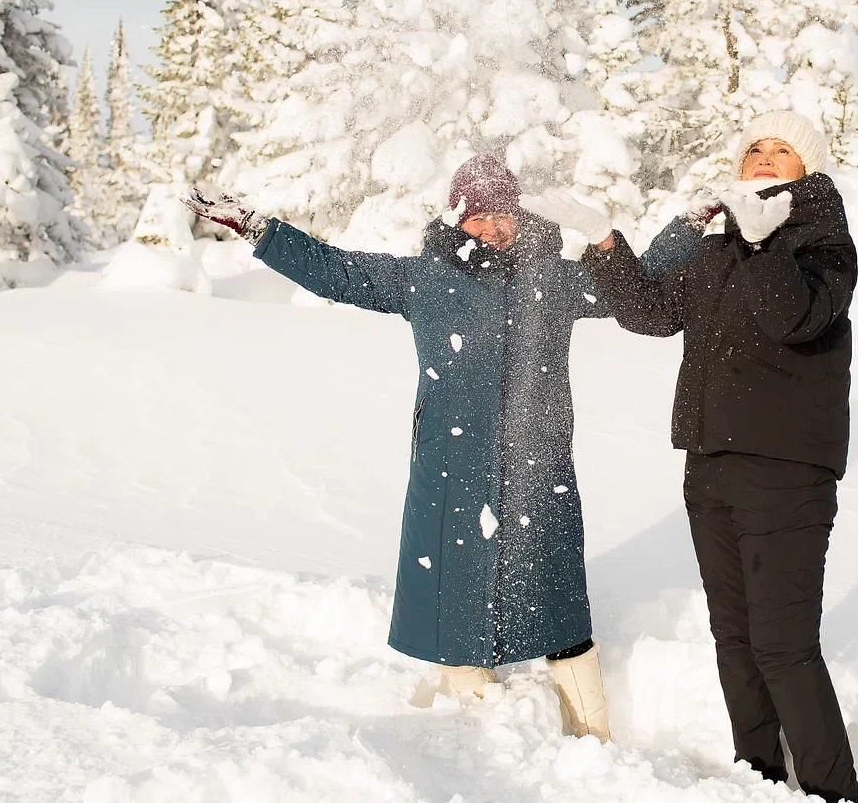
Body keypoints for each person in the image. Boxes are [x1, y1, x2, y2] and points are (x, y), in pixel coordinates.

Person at [183, 155, 626, 740]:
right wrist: (262, 231)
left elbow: (635, 290)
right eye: (479, 216)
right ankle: (481, 740)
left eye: (503, 215)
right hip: (454, 469)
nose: (492, 227)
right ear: (457, 219)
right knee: (458, 605)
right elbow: (334, 270)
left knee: (558, 601)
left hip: (536, 467)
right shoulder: (428, 279)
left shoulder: (553, 280)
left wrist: (688, 230)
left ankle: (593, 738)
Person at [521, 110, 858, 802]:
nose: (764, 157)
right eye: (754, 147)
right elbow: (649, 311)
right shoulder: (717, 250)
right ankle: (760, 779)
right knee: (734, 642)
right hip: (710, 467)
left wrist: (767, 248)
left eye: (782, 149)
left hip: (787, 472)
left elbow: (791, 317)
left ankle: (834, 791)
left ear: (808, 166)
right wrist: (602, 238)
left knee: (783, 648)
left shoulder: (825, 245)